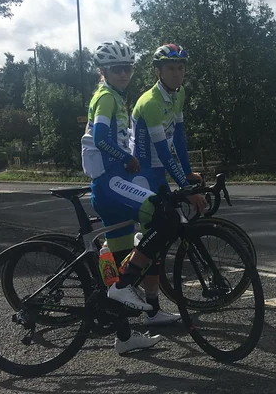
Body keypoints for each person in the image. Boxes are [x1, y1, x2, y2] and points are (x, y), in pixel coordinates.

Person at [81, 40, 206, 354]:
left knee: (129, 260)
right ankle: (124, 289)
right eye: (116, 69)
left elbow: (177, 137)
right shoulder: (108, 97)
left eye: (127, 68)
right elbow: (99, 138)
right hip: (111, 183)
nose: (123, 74)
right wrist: (125, 159)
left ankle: (124, 337)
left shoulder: (116, 96)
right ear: (103, 71)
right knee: (163, 219)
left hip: (115, 182)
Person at [127, 43, 205, 321]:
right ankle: (150, 309)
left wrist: (187, 172)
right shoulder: (150, 102)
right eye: (170, 68)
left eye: (181, 68)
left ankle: (150, 304)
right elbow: (162, 151)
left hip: (159, 172)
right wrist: (185, 188)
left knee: (157, 239)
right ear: (158, 71)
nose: (177, 73)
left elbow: (180, 138)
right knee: (156, 238)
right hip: (144, 174)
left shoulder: (179, 93)